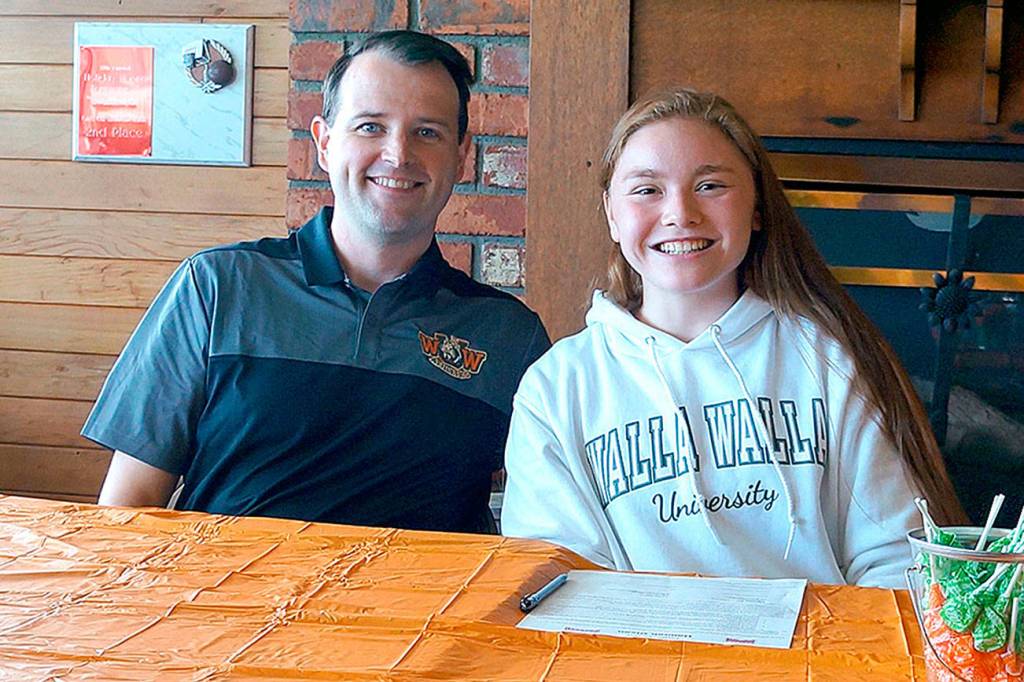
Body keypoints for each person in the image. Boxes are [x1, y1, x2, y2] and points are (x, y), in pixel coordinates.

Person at [83, 30, 550, 533]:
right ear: (324, 143)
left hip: (422, 590)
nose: (398, 154)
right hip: (225, 586)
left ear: (461, 156)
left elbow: (547, 520)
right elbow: (128, 507)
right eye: (371, 127)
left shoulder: (510, 337)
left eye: (427, 132)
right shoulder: (217, 288)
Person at [501, 88, 965, 587]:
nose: (680, 213)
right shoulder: (556, 388)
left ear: (757, 207)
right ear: (612, 214)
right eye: (647, 190)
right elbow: (556, 582)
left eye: (710, 185)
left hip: (819, 639)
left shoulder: (826, 358)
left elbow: (897, 561)